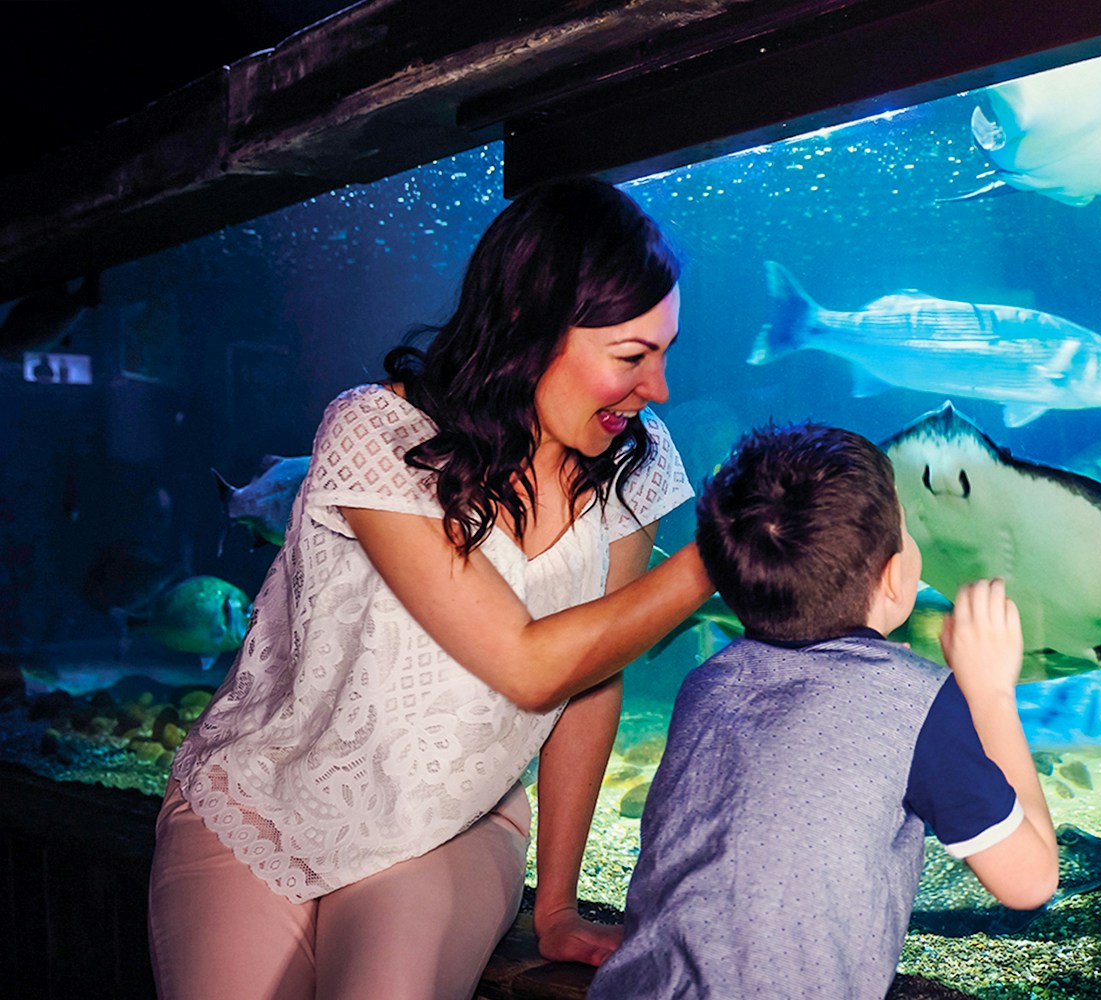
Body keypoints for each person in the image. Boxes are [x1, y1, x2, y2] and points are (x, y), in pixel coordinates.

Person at [147, 176, 713, 1000]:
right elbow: (528, 665)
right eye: (631, 356)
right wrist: (716, 555)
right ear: (526, 324)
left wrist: (556, 906)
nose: (657, 387)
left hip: (450, 821)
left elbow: (592, 674)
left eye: (664, 352)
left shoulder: (637, 459)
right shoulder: (374, 428)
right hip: (259, 801)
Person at [588, 423, 1058, 999]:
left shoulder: (706, 685)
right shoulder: (916, 703)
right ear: (895, 577)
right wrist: (989, 694)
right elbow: (1030, 881)